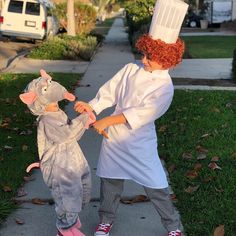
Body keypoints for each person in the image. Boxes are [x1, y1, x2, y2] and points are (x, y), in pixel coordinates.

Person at [74, 1, 188, 236]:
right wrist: (92, 106)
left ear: (166, 59)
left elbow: (142, 113)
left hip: (139, 142)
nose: (143, 59)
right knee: (110, 183)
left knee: (156, 185)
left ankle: (173, 226)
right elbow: (110, 91)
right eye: (144, 53)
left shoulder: (164, 88)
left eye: (150, 57)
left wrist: (107, 121)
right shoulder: (131, 69)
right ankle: (106, 219)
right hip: (115, 141)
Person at [19, 70, 96, 236]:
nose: (56, 103)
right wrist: (83, 119)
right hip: (59, 167)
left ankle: (71, 222)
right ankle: (64, 229)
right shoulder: (47, 120)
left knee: (81, 190)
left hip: (71, 160)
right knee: (68, 197)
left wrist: (84, 122)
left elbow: (72, 135)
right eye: (46, 91)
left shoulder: (57, 113)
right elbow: (66, 134)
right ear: (37, 100)